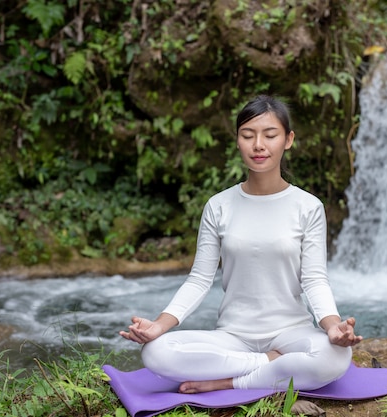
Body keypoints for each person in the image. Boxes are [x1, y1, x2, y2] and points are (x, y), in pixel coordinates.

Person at [119, 94, 362, 394]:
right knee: (156, 352)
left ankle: (231, 381)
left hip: (292, 332)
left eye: (270, 135)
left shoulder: (307, 207)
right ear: (237, 141)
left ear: (288, 140)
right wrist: (159, 325)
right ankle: (270, 364)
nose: (258, 145)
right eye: (248, 135)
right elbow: (199, 279)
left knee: (336, 355)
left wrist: (332, 326)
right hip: (233, 335)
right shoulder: (219, 206)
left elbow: (314, 279)